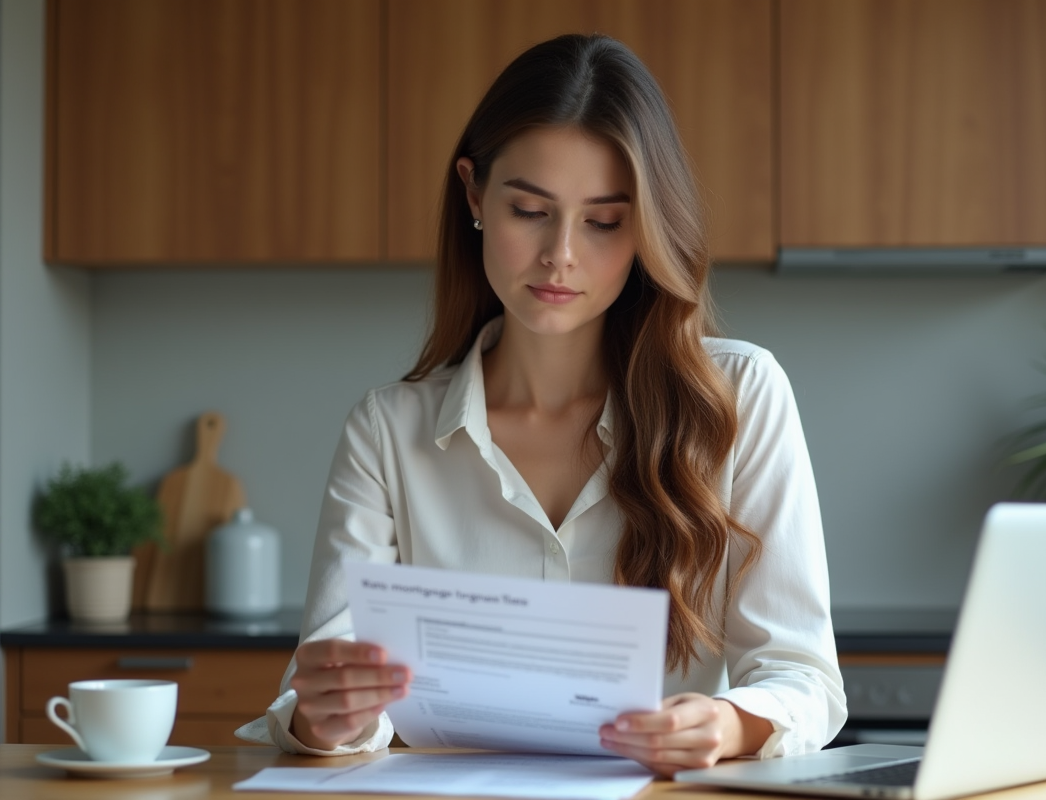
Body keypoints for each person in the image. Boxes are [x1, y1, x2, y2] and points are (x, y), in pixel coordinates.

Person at [238, 33, 846, 775]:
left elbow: (803, 678)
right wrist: (327, 713)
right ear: (474, 194)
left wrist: (727, 723)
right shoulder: (388, 432)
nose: (561, 254)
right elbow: (324, 692)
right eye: (530, 210)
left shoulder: (739, 397)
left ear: (647, 227)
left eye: (603, 222)